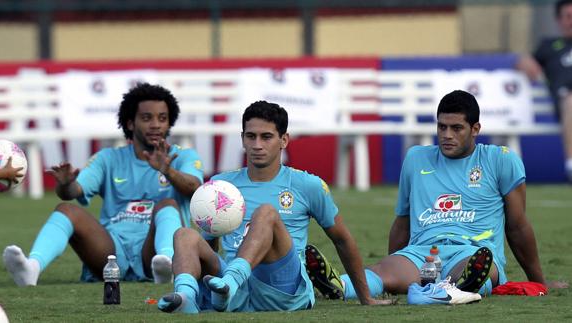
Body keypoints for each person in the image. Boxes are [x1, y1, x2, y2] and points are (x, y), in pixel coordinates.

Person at [307, 90, 567, 303]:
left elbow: (518, 226)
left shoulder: (501, 159)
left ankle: (456, 288)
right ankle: (337, 284)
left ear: (475, 129)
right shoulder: (416, 158)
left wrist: (538, 282)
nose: (447, 135)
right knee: (380, 274)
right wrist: (396, 261)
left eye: (456, 128)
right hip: (423, 252)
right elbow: (402, 222)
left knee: (475, 273)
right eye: (441, 127)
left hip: (474, 251)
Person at [157, 100, 386, 314]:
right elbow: (208, 244)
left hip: (283, 289)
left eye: (266, 137)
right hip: (234, 294)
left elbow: (342, 239)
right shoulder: (220, 184)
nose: (257, 145)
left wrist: (365, 297)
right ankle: (185, 298)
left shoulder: (308, 185)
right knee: (184, 234)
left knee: (266, 213)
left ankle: (230, 282)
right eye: (251, 136)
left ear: (284, 140)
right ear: (242, 138)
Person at [2, 82, 204, 286]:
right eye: (146, 118)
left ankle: (167, 266)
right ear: (130, 123)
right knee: (66, 209)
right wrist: (66, 184)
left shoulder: (183, 156)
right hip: (112, 254)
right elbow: (73, 191)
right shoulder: (108, 159)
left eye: (162, 118)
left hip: (154, 249)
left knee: (168, 204)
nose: (155, 125)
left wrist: (167, 170)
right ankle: (31, 269)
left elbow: (195, 189)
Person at [517, 0, 572, 182]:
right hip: (567, 101)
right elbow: (522, 62)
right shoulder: (550, 46)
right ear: (559, 20)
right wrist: (526, 63)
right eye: (568, 16)